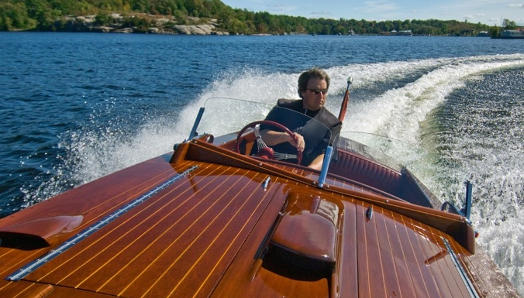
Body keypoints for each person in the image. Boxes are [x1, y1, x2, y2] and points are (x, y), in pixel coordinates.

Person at [260, 68, 342, 170]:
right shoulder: (282, 107)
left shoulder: (332, 123)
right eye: (315, 91)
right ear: (303, 91)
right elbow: (262, 135)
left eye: (324, 91)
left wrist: (307, 172)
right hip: (266, 164)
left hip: (299, 174)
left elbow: (326, 156)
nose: (321, 96)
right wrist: (286, 137)